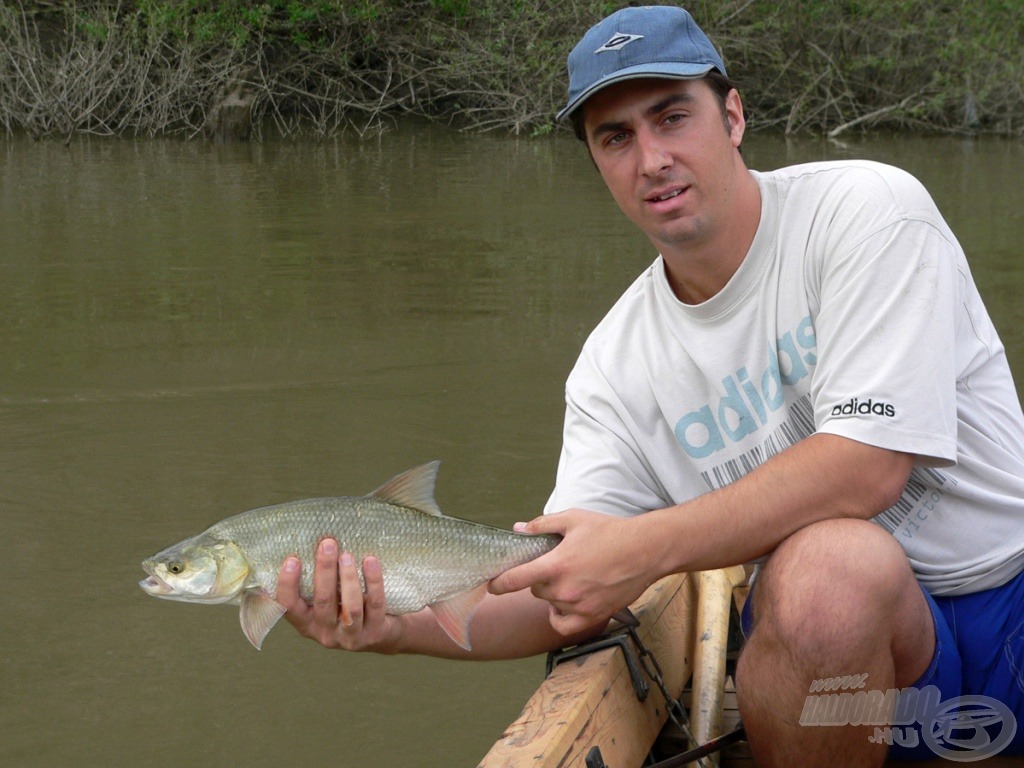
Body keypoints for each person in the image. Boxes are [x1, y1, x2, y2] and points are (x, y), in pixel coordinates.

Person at [276, 6, 1024, 765]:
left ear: (732, 115)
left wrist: (644, 547)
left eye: (672, 117)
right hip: (863, 678)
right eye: (616, 137)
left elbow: (868, 466)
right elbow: (562, 588)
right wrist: (395, 625)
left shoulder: (865, 212)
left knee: (833, 555)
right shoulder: (614, 365)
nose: (652, 159)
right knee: (829, 574)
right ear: (597, 162)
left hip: (1010, 606)